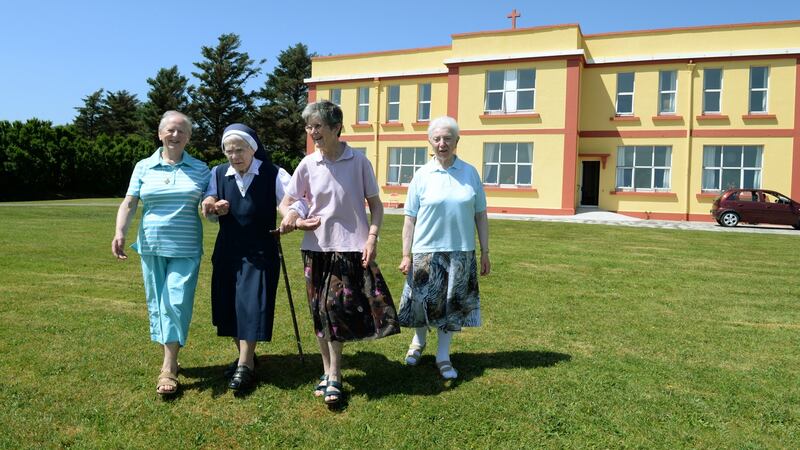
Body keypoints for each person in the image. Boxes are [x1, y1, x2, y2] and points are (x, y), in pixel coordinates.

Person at [278, 100, 400, 406]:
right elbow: (288, 201)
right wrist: (295, 218)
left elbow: (377, 206)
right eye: (309, 126)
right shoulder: (307, 164)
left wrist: (372, 237)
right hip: (315, 247)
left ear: (336, 128)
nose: (312, 132)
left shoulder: (358, 161)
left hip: (349, 247)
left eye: (318, 126)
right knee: (319, 312)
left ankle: (334, 374)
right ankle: (328, 370)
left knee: (333, 307)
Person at [200, 124, 307, 391]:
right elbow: (208, 204)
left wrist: (291, 216)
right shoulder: (218, 173)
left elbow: (294, 200)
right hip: (227, 249)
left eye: (239, 150)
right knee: (230, 306)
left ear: (252, 148)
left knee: (250, 305)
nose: (234, 156)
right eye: (229, 151)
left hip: (260, 251)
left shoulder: (272, 173)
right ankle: (245, 358)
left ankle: (245, 365)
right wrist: (212, 207)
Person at [112, 110, 210, 396]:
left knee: (175, 302)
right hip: (151, 245)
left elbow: (208, 203)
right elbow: (129, 202)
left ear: (189, 137)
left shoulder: (201, 169)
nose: (175, 135)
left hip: (186, 247)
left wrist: (212, 207)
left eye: (181, 131)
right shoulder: (144, 166)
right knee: (157, 302)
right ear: (159, 134)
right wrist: (120, 232)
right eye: (170, 130)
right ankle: (171, 357)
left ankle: (169, 366)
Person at [397, 116, 490, 380]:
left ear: (456, 141)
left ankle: (443, 355)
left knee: (451, 306)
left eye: (448, 138)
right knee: (423, 303)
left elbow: (480, 214)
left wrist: (485, 252)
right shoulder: (422, 175)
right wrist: (406, 254)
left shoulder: (470, 173)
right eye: (437, 138)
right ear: (430, 142)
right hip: (427, 250)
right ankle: (418, 341)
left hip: (460, 252)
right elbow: (410, 218)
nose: (442, 143)